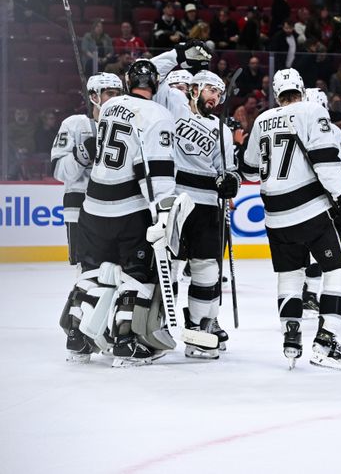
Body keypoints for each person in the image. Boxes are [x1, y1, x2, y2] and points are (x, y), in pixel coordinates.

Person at [240, 68, 341, 370]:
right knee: (340, 268)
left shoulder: (263, 120)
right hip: (310, 210)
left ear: (277, 94)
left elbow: (249, 170)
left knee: (290, 275)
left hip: (275, 216)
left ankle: (291, 338)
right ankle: (325, 341)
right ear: (302, 90)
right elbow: (325, 160)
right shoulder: (311, 110)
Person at [66, 59, 178, 367]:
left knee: (92, 273)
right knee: (137, 276)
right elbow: (156, 173)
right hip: (129, 209)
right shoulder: (158, 114)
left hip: (93, 206)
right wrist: (163, 215)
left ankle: (77, 338)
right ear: (155, 84)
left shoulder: (110, 107)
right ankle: (128, 341)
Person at [152, 48, 238, 359]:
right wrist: (179, 57)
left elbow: (226, 171)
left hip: (207, 207)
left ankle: (199, 330)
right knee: (165, 268)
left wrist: (230, 182)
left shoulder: (222, 131)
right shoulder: (173, 105)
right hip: (174, 200)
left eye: (220, 92)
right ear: (195, 89)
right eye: (211, 89)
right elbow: (149, 72)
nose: (215, 97)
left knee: (207, 271)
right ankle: (153, 326)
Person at [53, 74, 123, 360]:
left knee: (115, 272)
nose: (114, 97)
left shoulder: (124, 123)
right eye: (108, 92)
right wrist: (83, 152)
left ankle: (102, 326)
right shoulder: (76, 124)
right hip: (81, 204)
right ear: (93, 95)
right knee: (89, 272)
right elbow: (60, 172)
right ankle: (77, 332)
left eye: (118, 92)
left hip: (113, 206)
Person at [300, 87, 341, 317]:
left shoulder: (294, 125)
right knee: (324, 250)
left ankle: (304, 296)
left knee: (305, 249)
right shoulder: (331, 130)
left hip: (301, 197)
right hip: (326, 199)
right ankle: (312, 295)